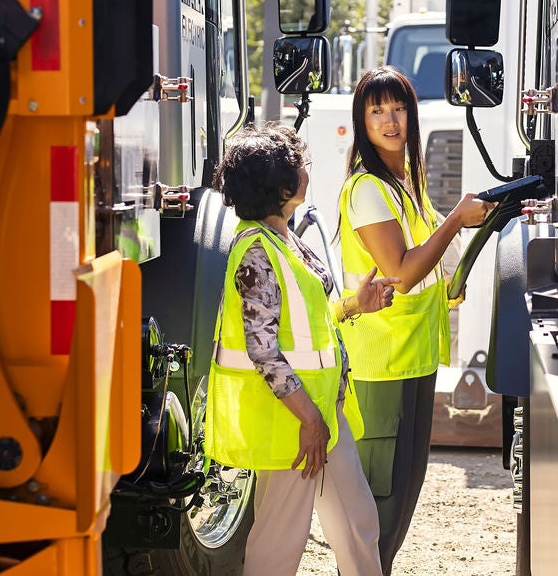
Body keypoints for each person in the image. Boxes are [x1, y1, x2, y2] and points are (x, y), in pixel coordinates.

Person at [207, 123, 400, 575]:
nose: (307, 172)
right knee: (279, 543)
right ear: (280, 186)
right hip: (294, 424)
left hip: (321, 412)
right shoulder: (257, 253)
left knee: (358, 523)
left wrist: (355, 304)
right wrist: (310, 420)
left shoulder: (283, 239)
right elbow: (263, 350)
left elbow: (307, 321)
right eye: (300, 165)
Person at [337, 66, 496, 573]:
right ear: (361, 121)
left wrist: (450, 277)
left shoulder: (404, 181)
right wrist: (456, 221)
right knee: (379, 503)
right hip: (380, 365)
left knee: (403, 494)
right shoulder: (368, 188)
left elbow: (424, 265)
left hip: (414, 358)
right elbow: (402, 275)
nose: (390, 120)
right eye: (376, 110)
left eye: (399, 107)